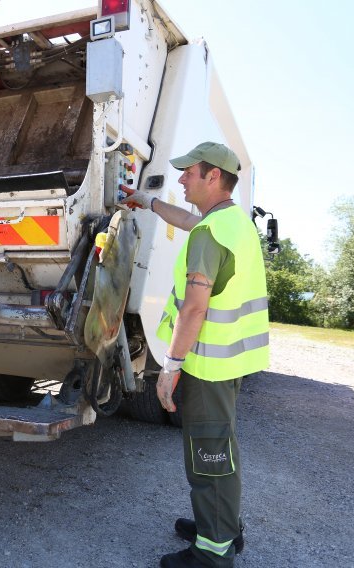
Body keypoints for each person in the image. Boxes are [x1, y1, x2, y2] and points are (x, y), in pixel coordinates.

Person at [120, 142, 269, 568]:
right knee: (220, 446)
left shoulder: (210, 233)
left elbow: (195, 307)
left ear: (214, 177)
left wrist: (170, 366)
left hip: (206, 366)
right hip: (228, 362)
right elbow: (186, 219)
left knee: (209, 456)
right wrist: (147, 202)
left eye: (189, 172)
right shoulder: (230, 221)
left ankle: (213, 552)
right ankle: (221, 526)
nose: (182, 178)